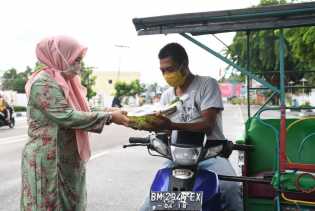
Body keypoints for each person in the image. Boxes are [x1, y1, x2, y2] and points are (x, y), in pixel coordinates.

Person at [20, 36, 129, 211]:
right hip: (49, 160)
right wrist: (108, 118)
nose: (79, 65)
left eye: (80, 60)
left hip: (66, 156)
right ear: (60, 56)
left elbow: (82, 107)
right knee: (49, 204)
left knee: (69, 203)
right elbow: (66, 115)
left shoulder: (65, 81)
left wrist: (110, 111)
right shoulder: (43, 82)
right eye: (75, 59)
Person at [138, 43, 243, 211]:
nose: (166, 74)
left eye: (170, 69)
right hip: (177, 157)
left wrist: (171, 124)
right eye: (162, 71)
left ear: (184, 64)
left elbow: (207, 125)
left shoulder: (207, 84)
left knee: (231, 189)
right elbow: (165, 129)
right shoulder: (167, 95)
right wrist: (147, 124)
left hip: (210, 153)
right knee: (149, 204)